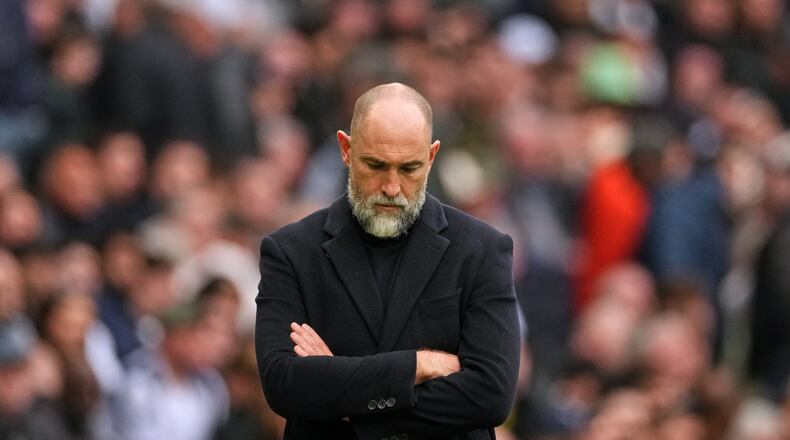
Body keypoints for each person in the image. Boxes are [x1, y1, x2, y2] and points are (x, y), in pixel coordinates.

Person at [255, 83, 521, 440]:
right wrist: (418, 364)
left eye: (409, 168)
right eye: (376, 165)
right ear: (346, 149)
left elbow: (491, 395)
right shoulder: (291, 251)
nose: (392, 187)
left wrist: (344, 396)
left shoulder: (482, 250)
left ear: (431, 157)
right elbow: (284, 384)